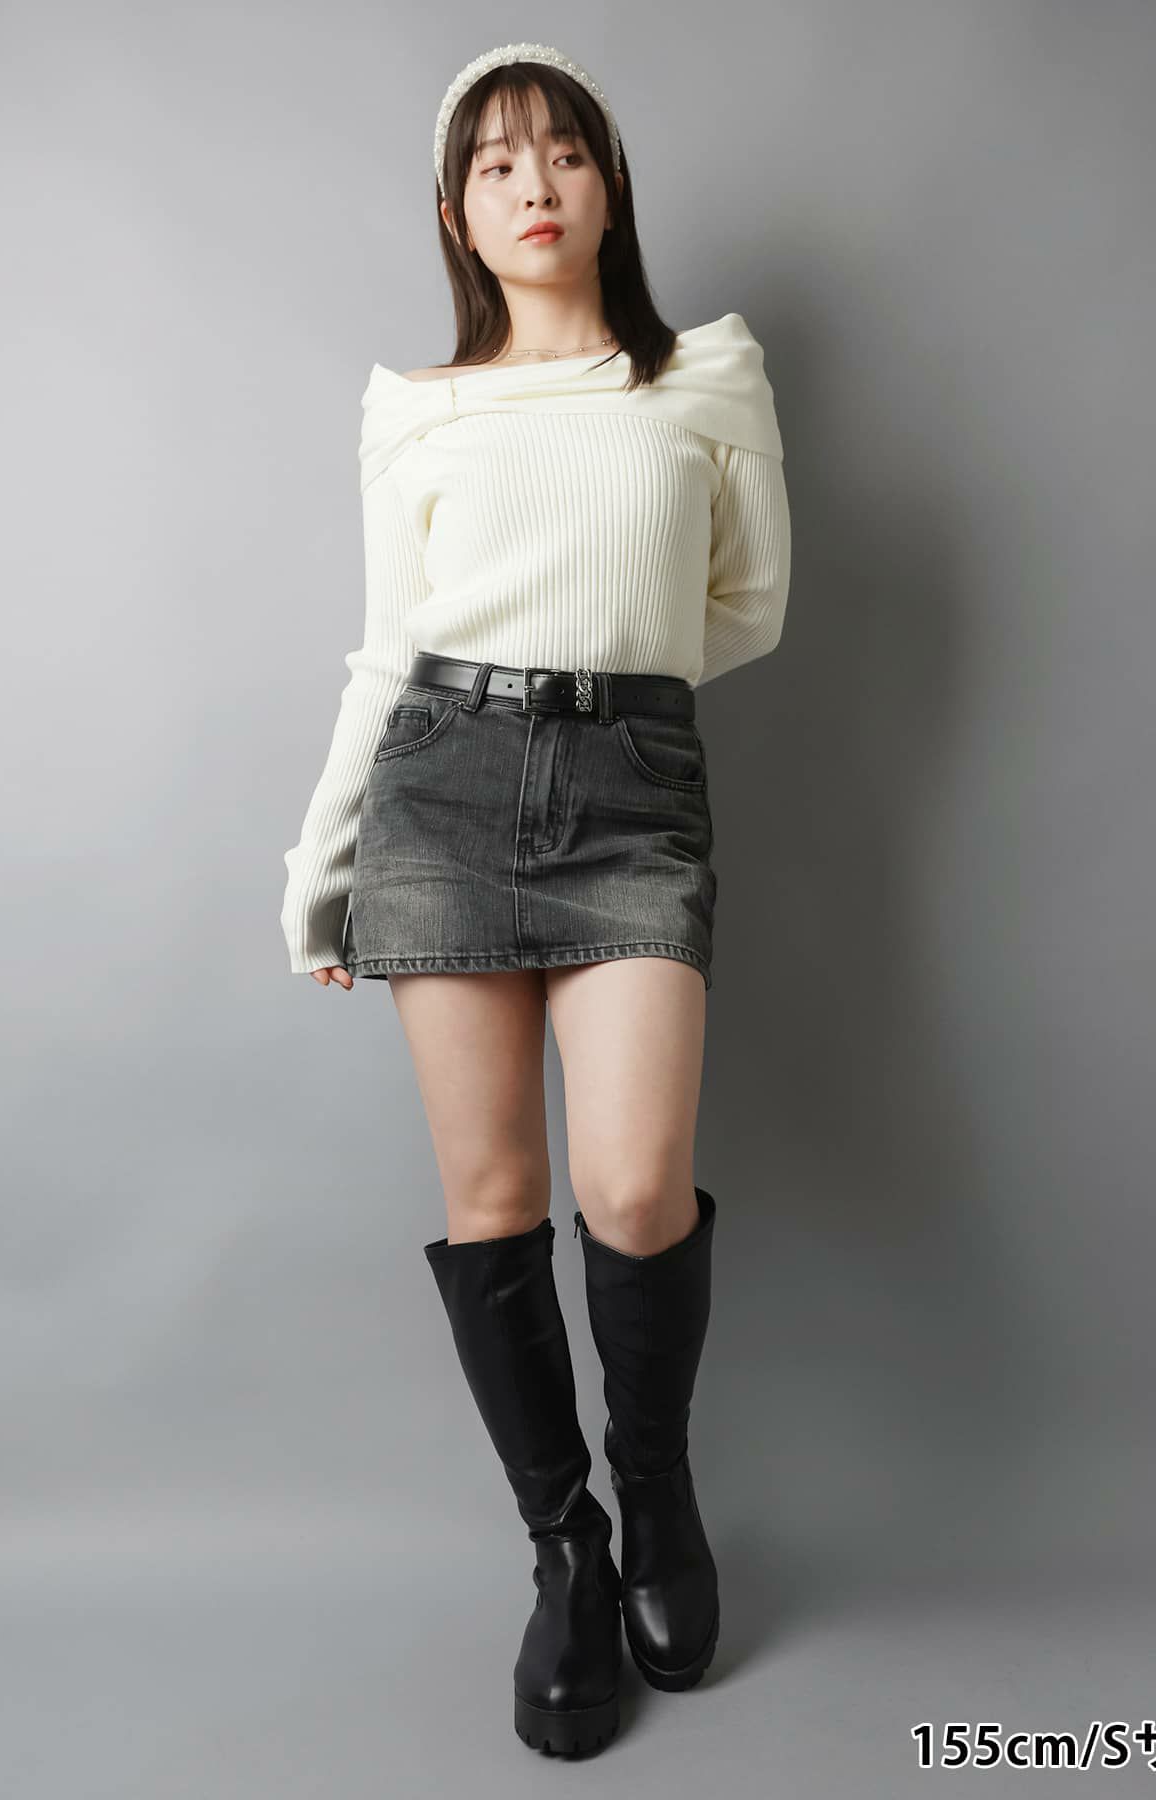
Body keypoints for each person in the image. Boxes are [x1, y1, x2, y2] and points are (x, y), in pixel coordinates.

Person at [278, 42, 790, 1757]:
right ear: (457, 214)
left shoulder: (705, 376)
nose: (533, 185)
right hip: (440, 786)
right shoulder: (414, 407)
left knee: (631, 1183)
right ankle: (564, 1549)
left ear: (609, 188)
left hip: (635, 786)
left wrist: (604, 680)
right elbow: (385, 650)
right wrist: (320, 864)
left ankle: (657, 1489)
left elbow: (748, 605)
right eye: (495, 164)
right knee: (493, 1195)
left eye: (561, 153)